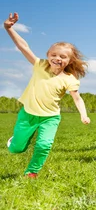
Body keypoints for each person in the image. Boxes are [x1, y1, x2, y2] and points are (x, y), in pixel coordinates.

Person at [4, 12, 90, 177]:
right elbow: (24, 47)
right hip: (28, 114)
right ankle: (15, 141)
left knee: (44, 145)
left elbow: (77, 99)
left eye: (62, 56)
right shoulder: (40, 65)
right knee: (17, 148)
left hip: (50, 118)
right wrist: (8, 28)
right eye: (54, 55)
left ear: (70, 61)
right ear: (48, 55)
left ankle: (32, 172)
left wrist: (83, 115)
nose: (57, 58)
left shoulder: (70, 79)